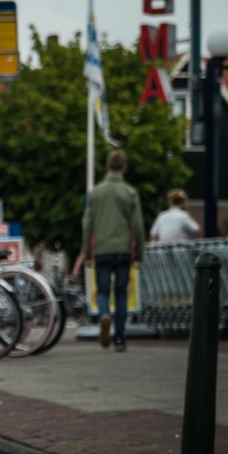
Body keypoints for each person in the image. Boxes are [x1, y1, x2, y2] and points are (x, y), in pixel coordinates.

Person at [77, 150, 147, 352]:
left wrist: (87, 254)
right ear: (124, 167)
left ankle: (105, 315)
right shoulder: (130, 192)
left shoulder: (96, 193)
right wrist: (139, 253)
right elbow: (138, 226)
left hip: (102, 249)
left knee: (103, 291)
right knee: (122, 294)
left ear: (107, 166)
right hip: (124, 250)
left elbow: (87, 224)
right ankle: (119, 337)